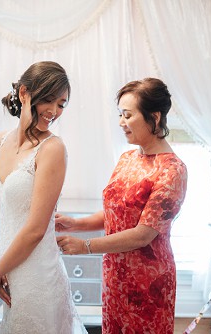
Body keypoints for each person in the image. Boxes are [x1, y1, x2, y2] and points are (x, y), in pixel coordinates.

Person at [56, 78, 188, 333]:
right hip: (115, 275)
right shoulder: (127, 158)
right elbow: (116, 214)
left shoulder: (173, 170)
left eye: (127, 115)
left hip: (147, 283)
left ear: (155, 117)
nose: (121, 123)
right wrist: (75, 223)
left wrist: (85, 246)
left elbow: (143, 233)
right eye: (120, 114)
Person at [0, 61, 87, 334]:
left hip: (37, 275)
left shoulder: (52, 149)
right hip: (8, 272)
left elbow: (36, 229)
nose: (54, 111)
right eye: (48, 100)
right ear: (24, 93)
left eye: (62, 103)